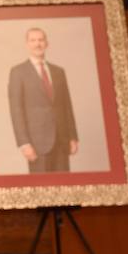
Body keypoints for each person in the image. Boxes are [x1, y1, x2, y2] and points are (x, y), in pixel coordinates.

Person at [7, 27, 78, 173]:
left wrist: (73, 136)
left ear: (47, 43)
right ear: (27, 44)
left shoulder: (59, 72)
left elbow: (67, 106)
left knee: (64, 189)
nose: (37, 44)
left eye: (41, 40)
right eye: (33, 40)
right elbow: (16, 110)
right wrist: (24, 143)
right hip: (36, 143)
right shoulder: (18, 72)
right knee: (41, 190)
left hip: (62, 141)